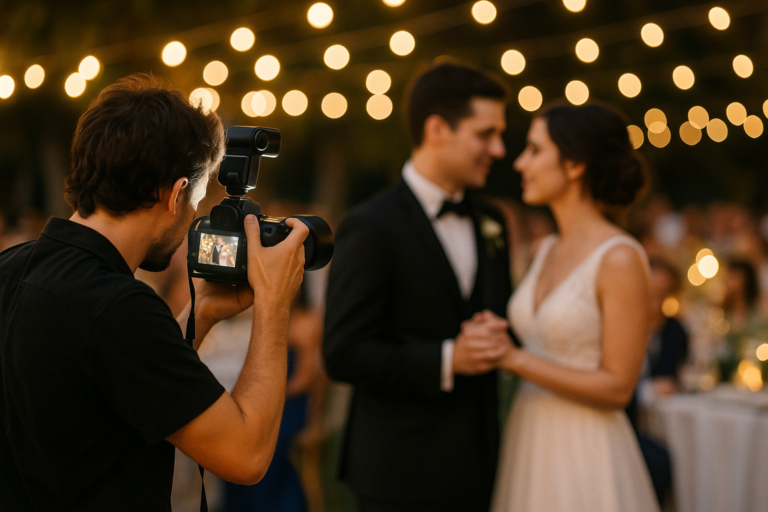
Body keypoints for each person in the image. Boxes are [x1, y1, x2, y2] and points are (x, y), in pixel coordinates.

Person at [0, 74, 308, 511]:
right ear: (176, 192)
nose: (192, 218)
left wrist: (201, 313)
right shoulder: (119, 307)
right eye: (198, 197)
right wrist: (275, 305)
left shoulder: (11, 268)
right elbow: (247, 455)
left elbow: (121, 382)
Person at [323, 60, 512, 512]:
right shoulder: (370, 225)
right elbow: (344, 352)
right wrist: (449, 358)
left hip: (482, 464)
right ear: (436, 129)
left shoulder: (491, 221)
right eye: (485, 134)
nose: (500, 149)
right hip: (399, 473)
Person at [467, 101, 660, 511]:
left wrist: (515, 360)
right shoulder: (547, 247)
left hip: (585, 446)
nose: (520, 163)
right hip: (530, 433)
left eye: (535, 150)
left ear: (574, 165)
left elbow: (619, 387)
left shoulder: (620, 257)